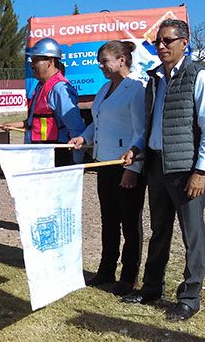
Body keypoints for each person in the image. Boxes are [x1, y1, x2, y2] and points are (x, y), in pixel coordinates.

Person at [121, 19, 205, 322]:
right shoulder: (155, 77)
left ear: (184, 42)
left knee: (193, 235)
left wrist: (201, 172)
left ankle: (190, 296)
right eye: (158, 41)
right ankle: (152, 287)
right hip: (156, 164)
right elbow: (149, 123)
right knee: (159, 230)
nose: (161, 46)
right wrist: (137, 149)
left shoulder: (198, 75)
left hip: (186, 170)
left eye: (168, 41)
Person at [69, 40, 147, 296]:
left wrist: (133, 169)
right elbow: (97, 122)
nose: (100, 66)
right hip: (104, 162)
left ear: (122, 60)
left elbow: (141, 130)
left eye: (104, 61)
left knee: (129, 223)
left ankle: (129, 276)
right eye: (99, 62)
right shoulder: (104, 89)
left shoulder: (135, 88)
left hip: (125, 164)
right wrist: (84, 138)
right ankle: (106, 270)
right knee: (109, 220)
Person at [1, 37, 85, 166]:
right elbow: (39, 121)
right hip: (40, 152)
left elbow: (75, 127)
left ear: (50, 61)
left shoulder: (59, 89)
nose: (32, 64)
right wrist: (15, 124)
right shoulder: (41, 86)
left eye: (36, 60)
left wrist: (77, 160)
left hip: (55, 154)